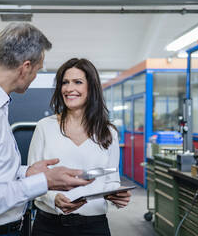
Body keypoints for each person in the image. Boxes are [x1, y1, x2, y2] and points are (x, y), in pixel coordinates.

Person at [0, 23, 93, 236]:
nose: (35, 76)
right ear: (25, 67)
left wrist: (26, 172)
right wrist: (42, 182)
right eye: (37, 70)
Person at [28, 58, 132, 236]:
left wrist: (117, 195)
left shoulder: (108, 132)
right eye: (65, 82)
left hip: (94, 227)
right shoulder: (45, 126)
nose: (69, 89)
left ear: (91, 88)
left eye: (78, 82)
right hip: (49, 226)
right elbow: (31, 180)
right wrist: (54, 198)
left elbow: (112, 179)